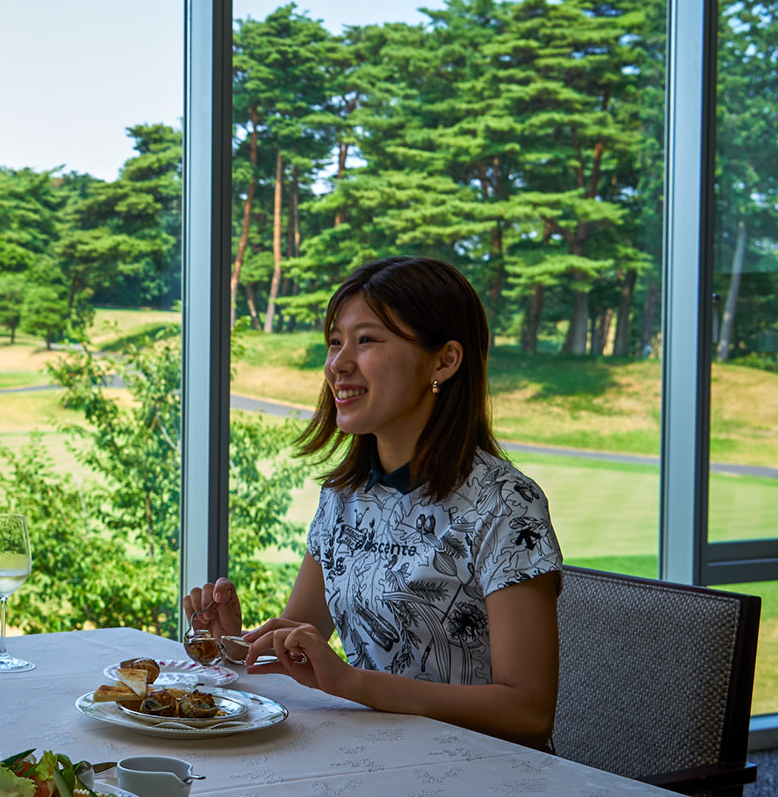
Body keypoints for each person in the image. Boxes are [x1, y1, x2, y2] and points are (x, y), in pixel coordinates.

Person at [186, 256, 563, 748]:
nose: (338, 364)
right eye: (335, 342)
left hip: (485, 773)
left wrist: (353, 683)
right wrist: (236, 644)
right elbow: (302, 639)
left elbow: (530, 713)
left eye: (365, 340)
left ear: (444, 361)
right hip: (376, 755)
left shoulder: (506, 503)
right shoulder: (343, 495)